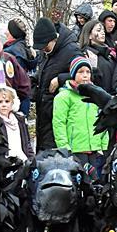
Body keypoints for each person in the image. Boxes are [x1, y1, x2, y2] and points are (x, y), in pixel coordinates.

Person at [31, 16, 81, 151]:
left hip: (61, 114)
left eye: (45, 46)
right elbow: (42, 72)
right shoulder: (44, 52)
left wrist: (61, 78)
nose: (43, 50)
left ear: (54, 39)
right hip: (44, 112)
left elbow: (86, 73)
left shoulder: (71, 50)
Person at [52, 57, 108, 175]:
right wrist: (64, 148)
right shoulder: (64, 97)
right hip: (75, 150)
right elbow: (59, 123)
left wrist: (103, 145)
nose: (85, 75)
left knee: (96, 181)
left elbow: (103, 120)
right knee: (80, 182)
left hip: (95, 149)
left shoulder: (97, 94)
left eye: (88, 72)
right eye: (81, 72)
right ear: (73, 74)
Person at [0, 83, 32, 161]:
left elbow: (27, 144)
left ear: (12, 103)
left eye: (7, 101)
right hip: (4, 162)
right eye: (0, 102)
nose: (4, 105)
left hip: (22, 159)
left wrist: (32, 161)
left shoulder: (20, 120)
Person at [78, 19, 115, 94]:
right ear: (89, 35)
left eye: (103, 31)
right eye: (98, 30)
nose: (102, 33)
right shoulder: (85, 54)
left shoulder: (108, 54)